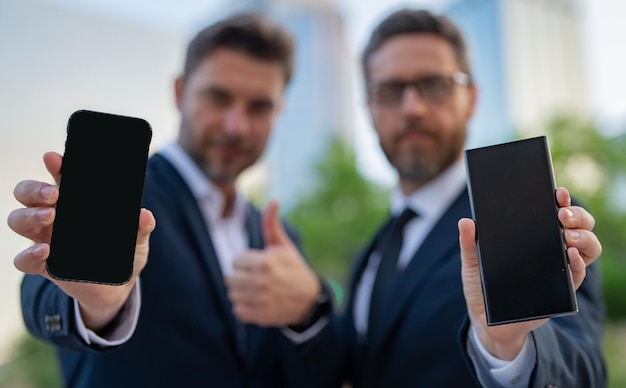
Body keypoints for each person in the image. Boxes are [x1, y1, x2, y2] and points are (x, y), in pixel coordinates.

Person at [282, 8, 606, 387]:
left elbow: (583, 374)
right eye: (389, 91)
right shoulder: (370, 255)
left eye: (434, 85)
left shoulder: (537, 222)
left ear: (471, 98)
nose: (412, 108)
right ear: (369, 109)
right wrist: (307, 311)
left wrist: (507, 347)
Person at [8, 13, 328, 387]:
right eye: (218, 97)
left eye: (259, 107)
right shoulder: (116, 194)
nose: (236, 125)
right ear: (180, 91)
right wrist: (96, 305)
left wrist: (310, 310)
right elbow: (44, 294)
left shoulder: (279, 237)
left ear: (280, 110)